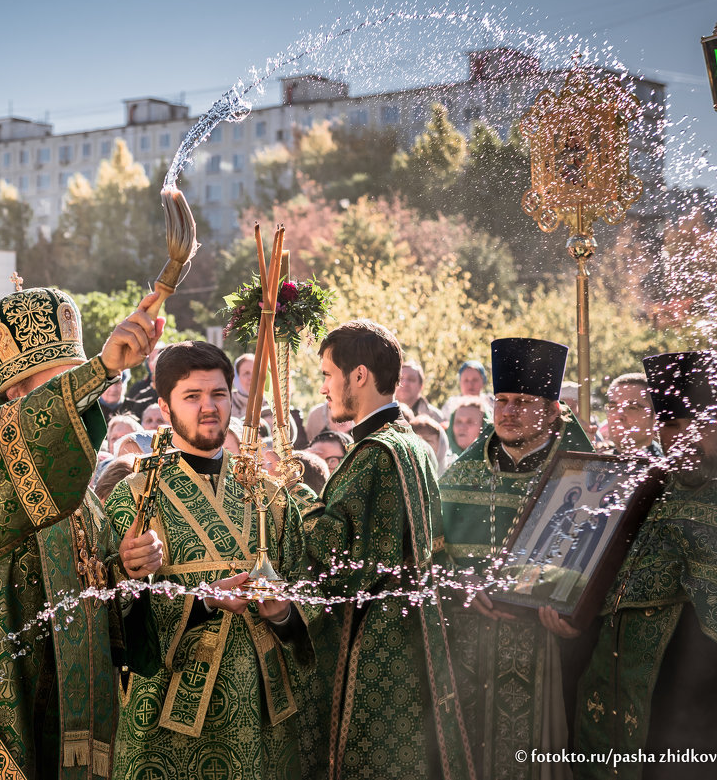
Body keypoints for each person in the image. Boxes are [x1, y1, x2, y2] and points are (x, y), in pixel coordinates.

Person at [0, 285, 163, 780]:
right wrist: (101, 369)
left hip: (72, 706)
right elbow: (1, 471)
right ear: (18, 396)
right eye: (64, 384)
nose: (80, 402)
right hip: (3, 697)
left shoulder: (83, 495)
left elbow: (95, 590)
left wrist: (129, 569)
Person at [106, 341, 318, 780]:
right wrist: (194, 600)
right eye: (193, 396)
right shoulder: (137, 495)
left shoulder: (270, 496)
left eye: (218, 395)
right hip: (167, 717)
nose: (209, 408)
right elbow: (111, 614)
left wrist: (283, 614)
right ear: (165, 406)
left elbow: (312, 599)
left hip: (261, 713)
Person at [293, 320, 472, 778]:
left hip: (374, 644)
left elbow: (339, 556)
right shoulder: (410, 444)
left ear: (359, 376)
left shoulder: (375, 453)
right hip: (409, 632)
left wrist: (293, 495)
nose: (324, 388)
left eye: (329, 374)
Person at [439, 338, 592, 780]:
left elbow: (602, 573)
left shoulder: (584, 479)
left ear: (552, 410)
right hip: (469, 657)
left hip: (549, 658)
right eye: (501, 400)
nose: (506, 411)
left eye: (523, 401)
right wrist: (461, 587)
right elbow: (430, 558)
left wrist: (577, 620)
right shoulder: (460, 478)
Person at [574, 350, 717, 780]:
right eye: (673, 426)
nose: (684, 438)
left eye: (700, 426)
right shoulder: (652, 486)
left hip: (688, 695)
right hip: (618, 675)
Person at [602, 372, 661, 456]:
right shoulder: (594, 463)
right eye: (613, 407)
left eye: (632, 408)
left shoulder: (664, 466)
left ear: (655, 417)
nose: (619, 416)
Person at [397, 358, 446, 424]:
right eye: (400, 378)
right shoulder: (382, 412)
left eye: (411, 379)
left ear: (421, 386)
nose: (405, 383)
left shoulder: (436, 417)